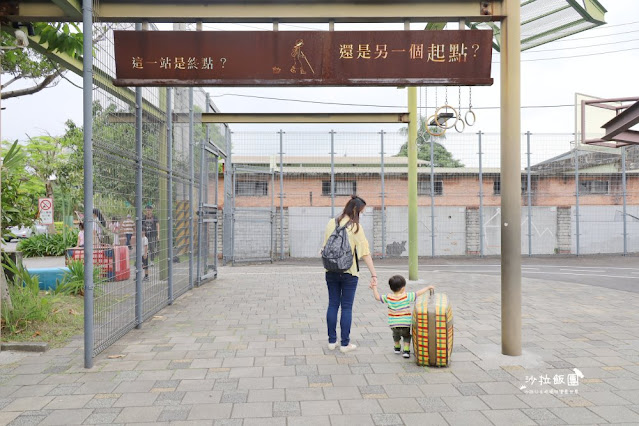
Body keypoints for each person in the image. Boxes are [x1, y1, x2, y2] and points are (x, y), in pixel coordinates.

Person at [322, 195, 377, 353]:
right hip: (349, 272)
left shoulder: (331, 222)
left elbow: (325, 246)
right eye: (362, 212)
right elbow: (365, 253)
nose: (362, 215)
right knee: (346, 307)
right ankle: (345, 344)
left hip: (331, 270)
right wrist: (374, 274)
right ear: (356, 211)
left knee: (333, 304)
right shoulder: (356, 228)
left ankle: (332, 341)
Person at [370, 274, 434, 359]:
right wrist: (428, 288)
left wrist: (374, 288)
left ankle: (397, 347)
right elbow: (418, 293)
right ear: (403, 288)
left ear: (391, 288)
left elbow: (377, 297)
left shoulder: (389, 297)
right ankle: (406, 350)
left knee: (395, 335)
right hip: (405, 323)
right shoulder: (406, 296)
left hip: (393, 324)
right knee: (406, 336)